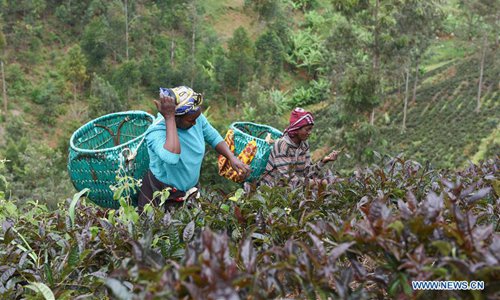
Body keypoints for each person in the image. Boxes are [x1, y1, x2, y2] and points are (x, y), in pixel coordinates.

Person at [138, 86, 250, 211]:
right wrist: (169, 118)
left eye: (197, 118)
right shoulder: (156, 131)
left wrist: (231, 157)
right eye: (191, 120)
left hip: (189, 192)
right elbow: (172, 157)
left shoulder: (195, 119)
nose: (195, 123)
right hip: (160, 196)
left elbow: (213, 136)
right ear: (176, 117)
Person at [260, 107, 339, 187]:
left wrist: (324, 161)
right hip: (271, 190)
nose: (309, 133)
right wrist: (314, 183)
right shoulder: (282, 145)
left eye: (311, 129)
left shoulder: (304, 145)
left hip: (291, 189)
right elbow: (287, 178)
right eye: (307, 129)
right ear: (297, 129)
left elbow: (307, 173)